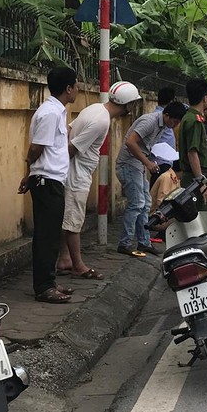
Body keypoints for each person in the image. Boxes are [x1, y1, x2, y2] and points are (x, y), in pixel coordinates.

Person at [57, 81, 142, 279]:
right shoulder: (101, 120)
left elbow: (70, 130)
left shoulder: (94, 108)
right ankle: (78, 265)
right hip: (77, 174)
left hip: (74, 171)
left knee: (67, 218)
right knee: (73, 221)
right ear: (128, 104)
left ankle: (64, 259)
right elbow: (73, 148)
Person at [18, 66, 79, 303]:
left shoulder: (57, 112)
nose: (77, 89)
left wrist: (30, 173)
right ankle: (44, 287)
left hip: (50, 179)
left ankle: (49, 281)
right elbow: (36, 147)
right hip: (47, 181)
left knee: (51, 234)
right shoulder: (51, 113)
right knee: (47, 236)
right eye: (75, 85)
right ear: (68, 88)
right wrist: (30, 169)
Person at [115, 101, 187, 257]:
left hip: (138, 166)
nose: (175, 125)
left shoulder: (162, 126)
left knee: (145, 203)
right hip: (128, 165)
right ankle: (125, 243)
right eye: (174, 121)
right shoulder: (150, 121)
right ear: (166, 115)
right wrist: (147, 162)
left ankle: (144, 242)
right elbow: (130, 142)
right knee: (137, 204)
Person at [178, 79, 207, 212]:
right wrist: (201, 184)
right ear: (205, 98)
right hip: (195, 177)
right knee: (198, 218)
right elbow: (192, 153)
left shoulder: (189, 117)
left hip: (193, 176)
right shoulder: (195, 121)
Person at [150, 87, 177, 188]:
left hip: (165, 160)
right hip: (160, 160)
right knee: (159, 189)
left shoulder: (164, 115)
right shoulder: (160, 117)